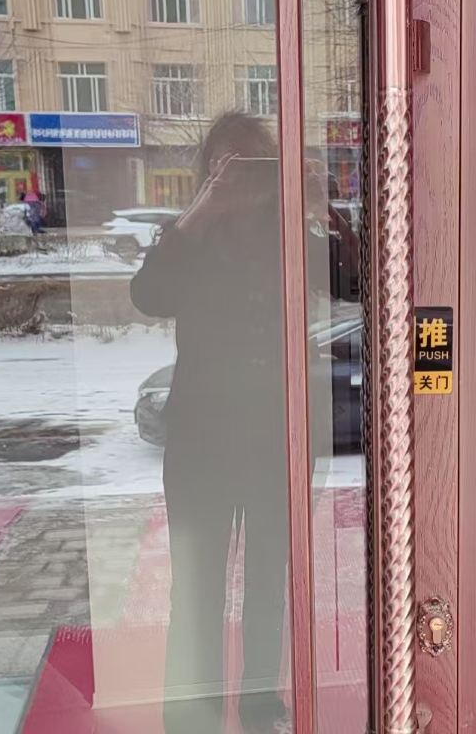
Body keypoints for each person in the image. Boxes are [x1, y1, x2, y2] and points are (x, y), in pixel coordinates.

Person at [131, 112, 321, 734]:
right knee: (196, 588)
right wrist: (203, 210)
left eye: (251, 167)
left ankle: (263, 709)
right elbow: (148, 296)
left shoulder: (291, 235)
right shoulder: (188, 234)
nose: (237, 180)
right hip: (201, 445)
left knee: (269, 584)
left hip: (277, 440)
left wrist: (317, 207)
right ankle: (192, 717)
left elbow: (357, 280)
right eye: (224, 166)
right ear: (207, 171)